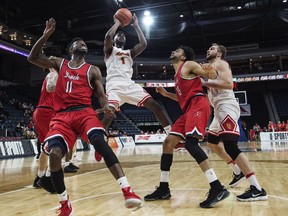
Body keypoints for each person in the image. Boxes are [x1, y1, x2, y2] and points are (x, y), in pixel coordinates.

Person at [27, 18, 141, 215]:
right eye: (79, 43)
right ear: (71, 49)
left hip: (84, 112)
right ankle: (65, 204)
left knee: (99, 141)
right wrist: (46, 35)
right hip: (61, 117)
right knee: (54, 155)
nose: (83, 44)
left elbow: (100, 95)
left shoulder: (92, 70)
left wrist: (106, 107)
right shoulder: (59, 63)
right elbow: (32, 57)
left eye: (85, 43)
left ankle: (127, 190)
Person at [144, 45, 230, 208]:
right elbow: (182, 98)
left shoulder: (189, 65)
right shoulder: (177, 75)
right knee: (168, 143)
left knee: (191, 144)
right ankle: (163, 188)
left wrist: (209, 70)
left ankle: (217, 187)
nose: (173, 51)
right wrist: (166, 94)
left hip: (198, 105)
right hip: (188, 108)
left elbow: (210, 75)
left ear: (183, 57)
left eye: (177, 51)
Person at [201, 43, 268, 201]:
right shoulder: (210, 67)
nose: (208, 50)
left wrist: (204, 83)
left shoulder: (220, 63)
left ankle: (257, 188)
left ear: (219, 54)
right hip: (218, 109)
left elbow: (228, 84)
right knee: (212, 143)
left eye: (212, 48)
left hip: (226, 105)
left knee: (231, 146)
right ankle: (237, 171)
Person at [102, 13, 171, 135]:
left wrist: (136, 26)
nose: (121, 36)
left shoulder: (130, 52)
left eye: (123, 35)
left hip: (129, 84)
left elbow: (143, 44)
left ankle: (171, 133)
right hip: (114, 86)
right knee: (109, 115)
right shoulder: (109, 51)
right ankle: (98, 142)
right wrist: (117, 23)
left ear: (126, 41)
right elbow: (108, 36)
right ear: (114, 39)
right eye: (119, 35)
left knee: (155, 105)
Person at [32, 68, 58, 194]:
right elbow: (51, 87)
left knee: (45, 147)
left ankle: (39, 177)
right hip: (48, 112)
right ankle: (48, 178)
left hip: (41, 111)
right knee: (58, 145)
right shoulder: (54, 74)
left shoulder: (51, 74)